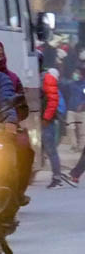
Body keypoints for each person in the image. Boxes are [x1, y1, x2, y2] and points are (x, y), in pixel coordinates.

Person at [0, 41, 34, 202]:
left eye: (0, 54)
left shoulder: (10, 79)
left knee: (24, 151)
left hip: (4, 128)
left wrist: (11, 122)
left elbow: (16, 105)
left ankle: (17, 192)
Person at [43, 58, 74, 188]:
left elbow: (52, 101)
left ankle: (57, 177)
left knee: (51, 150)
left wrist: (45, 118)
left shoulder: (48, 79)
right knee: (50, 150)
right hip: (49, 120)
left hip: (47, 121)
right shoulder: (50, 80)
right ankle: (57, 176)